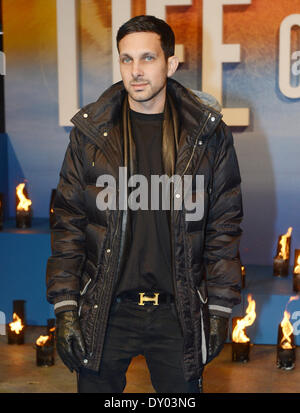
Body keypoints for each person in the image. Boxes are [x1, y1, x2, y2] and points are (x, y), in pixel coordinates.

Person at [46, 15, 243, 393]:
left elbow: (224, 224)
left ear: (170, 63)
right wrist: (66, 306)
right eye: (126, 59)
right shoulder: (90, 135)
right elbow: (69, 223)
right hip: (106, 309)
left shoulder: (207, 133)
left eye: (148, 58)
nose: (135, 71)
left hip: (177, 312)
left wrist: (218, 308)